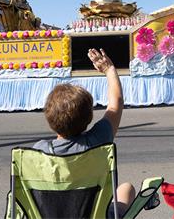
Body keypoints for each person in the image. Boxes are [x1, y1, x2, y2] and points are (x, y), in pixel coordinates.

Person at [33, 48, 135, 218]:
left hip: (50, 213)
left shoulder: (38, 150)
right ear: (88, 118)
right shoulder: (97, 140)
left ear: (50, 120)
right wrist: (109, 69)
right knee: (127, 188)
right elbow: (115, 103)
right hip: (95, 214)